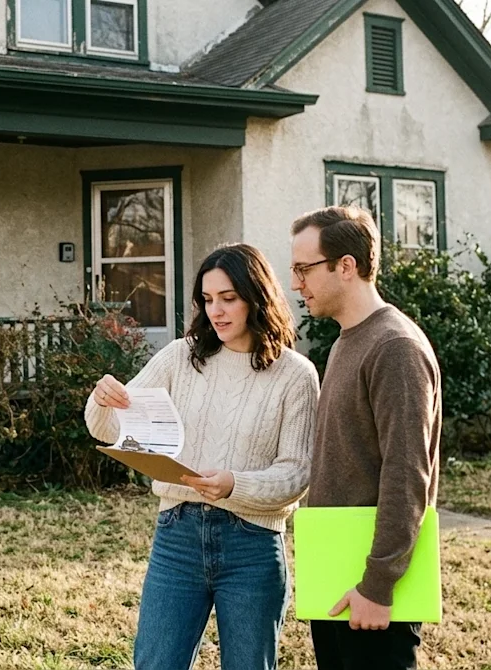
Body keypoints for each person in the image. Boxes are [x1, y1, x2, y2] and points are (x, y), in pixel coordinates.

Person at [86, 243, 319, 670]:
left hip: (252, 544)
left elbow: (297, 473)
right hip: (178, 537)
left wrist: (235, 484)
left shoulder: (295, 375)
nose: (217, 311)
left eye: (229, 298)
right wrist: (102, 400)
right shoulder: (180, 356)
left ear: (257, 297)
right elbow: (112, 429)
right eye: (208, 300)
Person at [289, 206, 442, 670]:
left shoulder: (394, 347)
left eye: (303, 269)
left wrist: (378, 585)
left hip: (371, 589)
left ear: (346, 266)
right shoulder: (346, 340)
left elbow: (407, 474)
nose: (296, 283)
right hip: (337, 572)